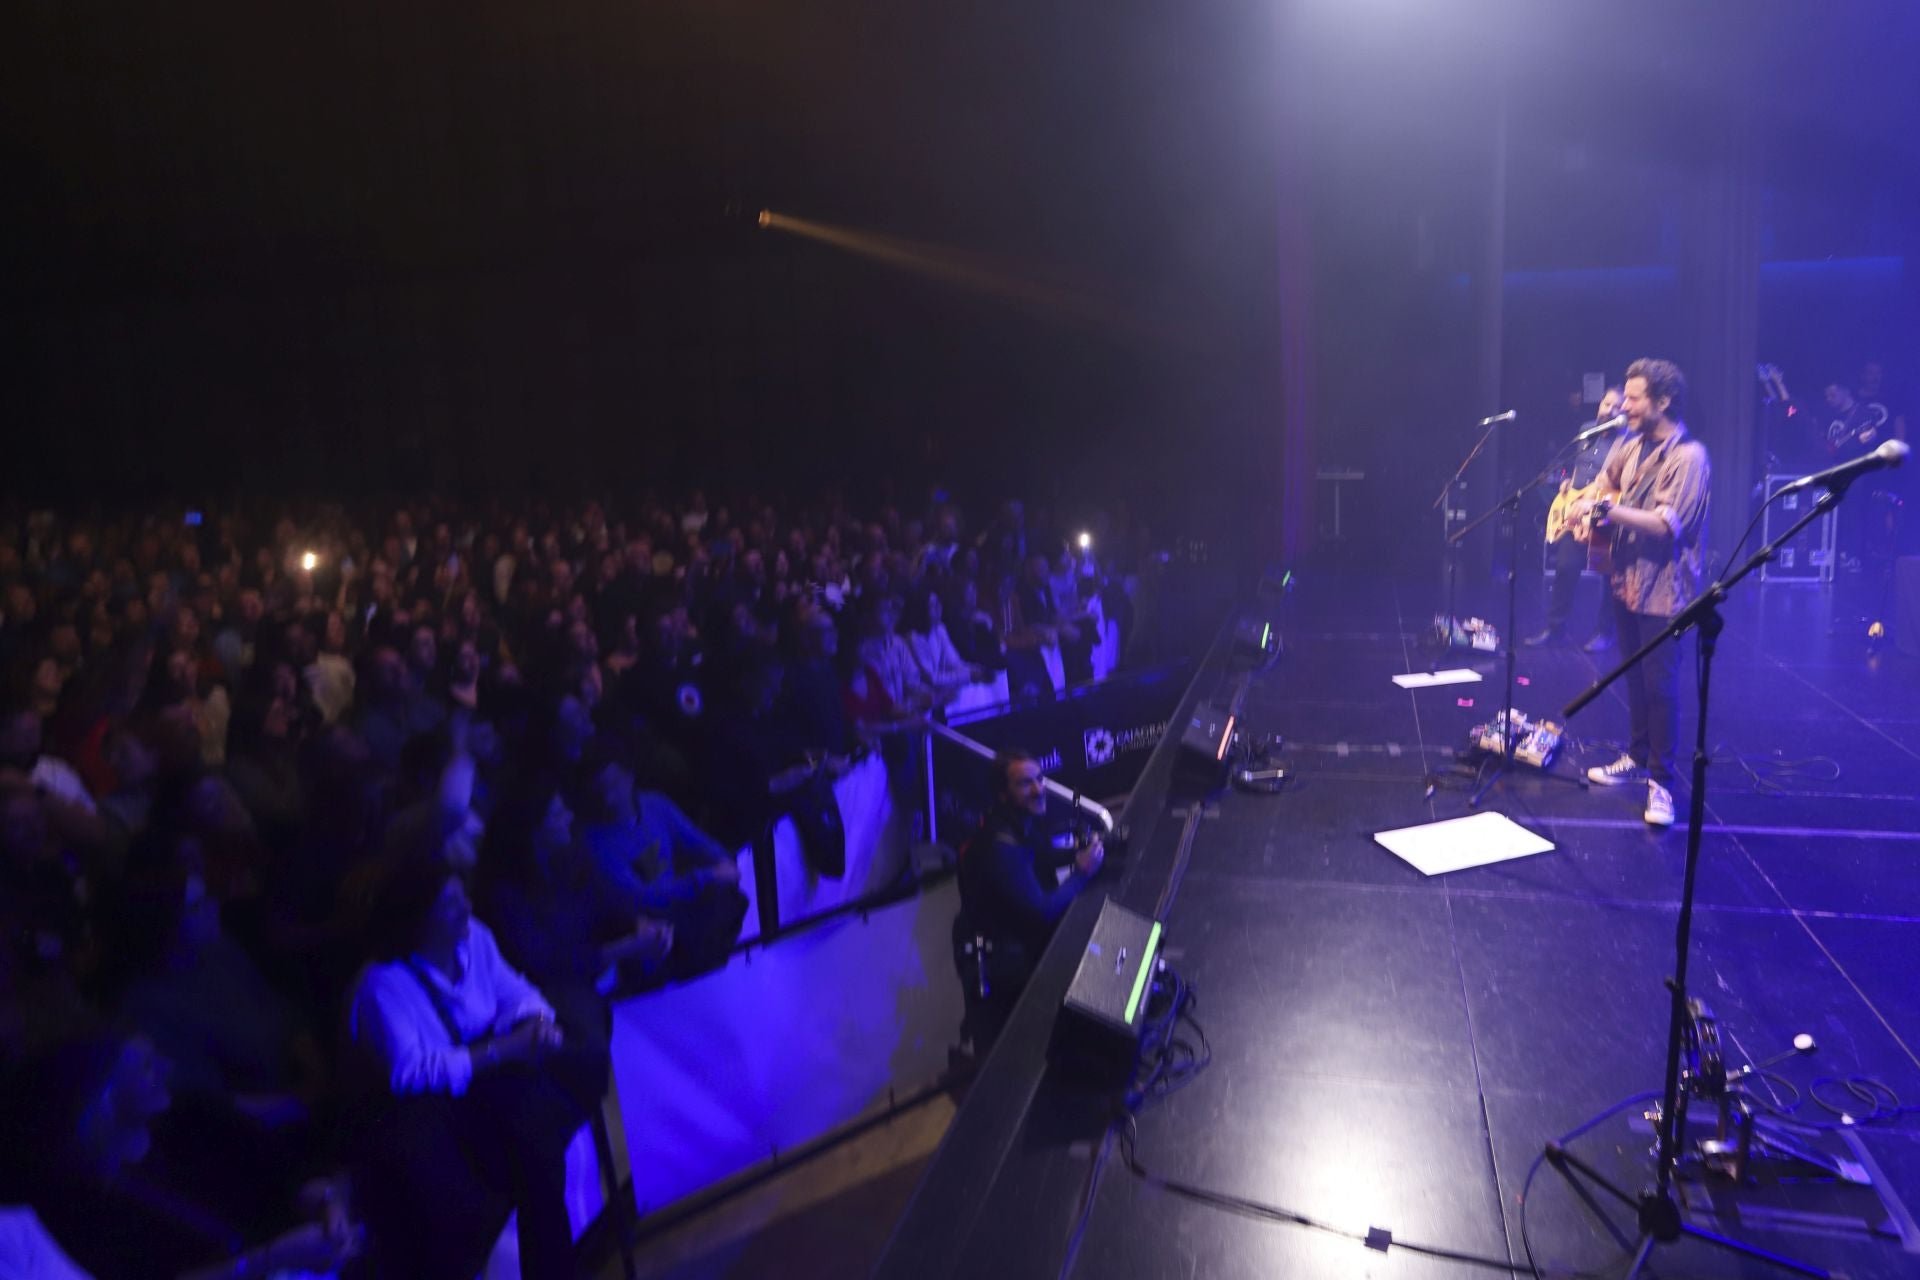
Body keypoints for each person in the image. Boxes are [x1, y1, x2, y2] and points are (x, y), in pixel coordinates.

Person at [345, 850, 592, 1280]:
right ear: (420, 917)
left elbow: (515, 990)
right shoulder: (384, 984)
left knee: (546, 1124)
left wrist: (534, 1022)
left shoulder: (474, 937)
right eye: (451, 903)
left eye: (463, 897)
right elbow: (409, 1074)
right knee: (536, 1142)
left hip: (490, 1085)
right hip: (431, 1112)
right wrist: (502, 1051)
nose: (467, 908)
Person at [1572, 358, 1711, 828]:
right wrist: (1584, 509)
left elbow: (1666, 524)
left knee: (1662, 688)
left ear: (1663, 401)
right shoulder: (1629, 447)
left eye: (1633, 399)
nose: (1623, 406)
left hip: (1665, 590)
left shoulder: (1689, 457)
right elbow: (1603, 485)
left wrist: (1607, 512)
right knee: (1632, 675)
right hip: (1625, 580)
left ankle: (1662, 783)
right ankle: (1635, 757)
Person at [954, 750, 1104, 1047]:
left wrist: (1087, 852)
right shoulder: (1000, 848)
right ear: (1002, 794)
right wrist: (1083, 872)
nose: (1038, 789)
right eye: (1025, 784)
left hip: (1014, 949)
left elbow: (1043, 855)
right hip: (1002, 968)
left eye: (1039, 779)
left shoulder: (1016, 823)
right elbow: (1042, 911)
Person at [1528, 386, 1624, 651]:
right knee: (1565, 567)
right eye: (1607, 404)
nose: (1610, 411)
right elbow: (1579, 464)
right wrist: (1568, 481)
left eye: (1617, 407)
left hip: (1603, 511)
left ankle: (1605, 633)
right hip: (1574, 508)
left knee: (1605, 573)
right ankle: (1555, 628)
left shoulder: (1626, 441)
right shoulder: (1586, 428)